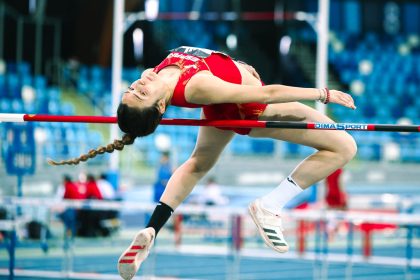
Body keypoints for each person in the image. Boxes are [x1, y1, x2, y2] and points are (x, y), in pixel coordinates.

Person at [48, 46, 357, 280]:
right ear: (158, 105)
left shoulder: (160, 74)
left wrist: (237, 67)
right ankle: (270, 205)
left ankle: (151, 230)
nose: (137, 84)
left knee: (197, 164)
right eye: (140, 93)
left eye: (131, 89)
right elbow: (270, 93)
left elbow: (208, 65)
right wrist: (324, 94)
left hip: (222, 108)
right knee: (344, 147)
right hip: (252, 110)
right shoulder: (195, 88)